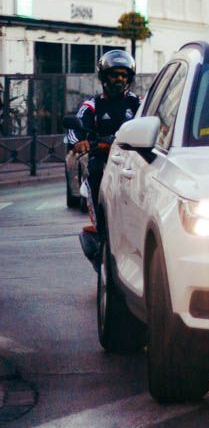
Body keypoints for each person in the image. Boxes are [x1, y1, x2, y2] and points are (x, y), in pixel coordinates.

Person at [74, 49, 141, 268]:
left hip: (133, 162)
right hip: (102, 162)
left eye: (123, 75)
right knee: (94, 170)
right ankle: (102, 231)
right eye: (114, 74)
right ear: (104, 77)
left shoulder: (139, 104)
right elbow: (76, 129)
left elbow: (156, 124)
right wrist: (80, 141)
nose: (119, 79)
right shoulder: (91, 106)